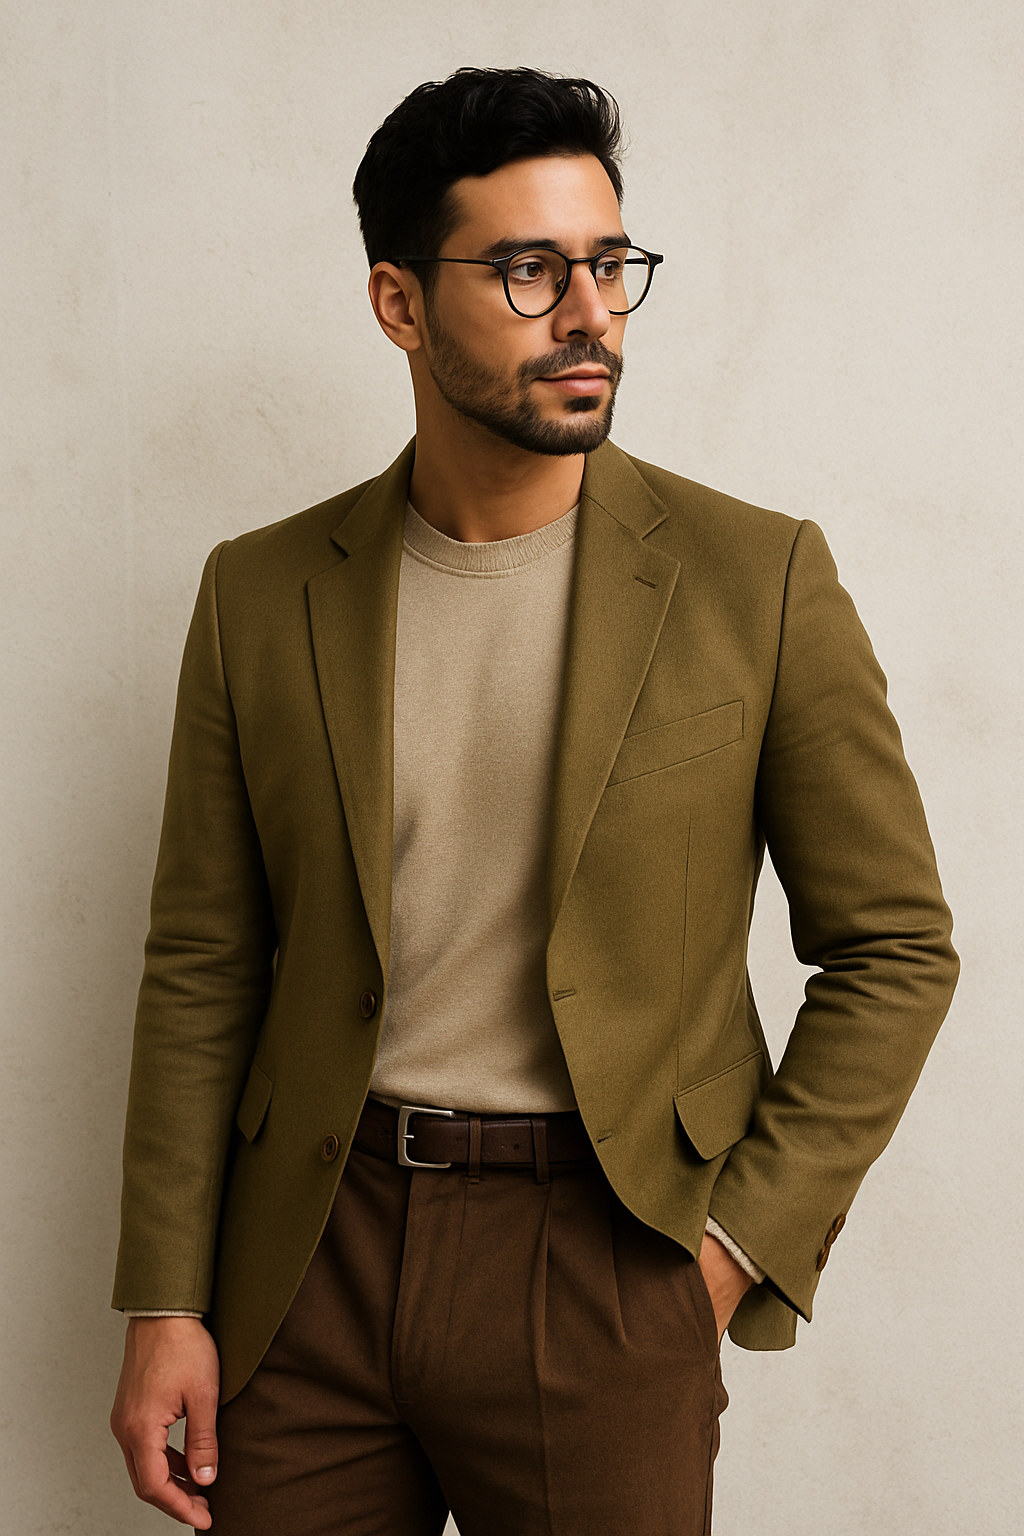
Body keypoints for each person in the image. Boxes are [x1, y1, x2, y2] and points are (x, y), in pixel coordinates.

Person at [110, 67, 958, 1535]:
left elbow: (894, 947)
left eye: (610, 264)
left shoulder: (756, 582)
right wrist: (168, 1298)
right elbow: (203, 961)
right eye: (527, 270)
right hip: (316, 1251)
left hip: (604, 1252)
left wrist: (730, 1251)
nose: (591, 314)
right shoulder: (259, 595)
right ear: (399, 304)